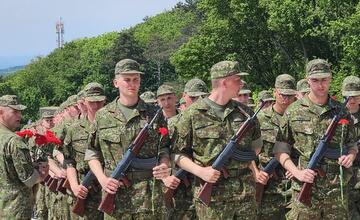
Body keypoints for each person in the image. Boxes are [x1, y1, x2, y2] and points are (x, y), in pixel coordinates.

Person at [173, 60, 267, 219]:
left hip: (244, 196)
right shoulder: (192, 114)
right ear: (224, 82)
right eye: (237, 79)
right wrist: (201, 171)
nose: (241, 83)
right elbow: (177, 154)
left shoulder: (246, 113)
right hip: (213, 200)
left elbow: (256, 148)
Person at [85, 59, 171, 219]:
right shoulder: (103, 116)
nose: (132, 84)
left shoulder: (155, 114)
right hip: (115, 195)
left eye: (136, 79)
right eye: (127, 79)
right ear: (116, 82)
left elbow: (165, 147)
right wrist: (103, 179)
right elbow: (92, 152)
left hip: (148, 196)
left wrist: (164, 164)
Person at [274, 59, 358, 220]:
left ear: (331, 79)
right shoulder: (293, 111)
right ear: (307, 80)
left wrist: (350, 157)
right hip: (305, 190)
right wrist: (297, 172)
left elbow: (352, 144)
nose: (320, 85)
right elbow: (280, 150)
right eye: (315, 80)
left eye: (324, 80)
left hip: (336, 191)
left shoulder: (342, 111)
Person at [62, 82, 107, 220]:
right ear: (84, 102)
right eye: (91, 102)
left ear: (105, 101)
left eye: (99, 102)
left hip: (110, 186)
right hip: (86, 188)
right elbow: (69, 161)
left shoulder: (113, 125)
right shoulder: (74, 129)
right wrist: (75, 185)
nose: (95, 106)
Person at [0, 95, 49, 219]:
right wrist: (42, 173)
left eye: (20, 112)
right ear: (1, 112)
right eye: (14, 112)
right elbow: (30, 179)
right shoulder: (14, 141)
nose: (20, 116)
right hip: (15, 209)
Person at [257, 74, 297, 219]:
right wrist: (256, 172)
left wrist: (298, 168)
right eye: (282, 94)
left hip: (296, 182)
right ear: (275, 92)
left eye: (289, 95)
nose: (285, 99)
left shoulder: (302, 117)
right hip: (269, 183)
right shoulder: (260, 119)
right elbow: (250, 151)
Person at [341, 76, 360, 220]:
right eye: (348, 96)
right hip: (341, 174)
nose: (352, 100)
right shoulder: (335, 115)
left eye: (355, 96)